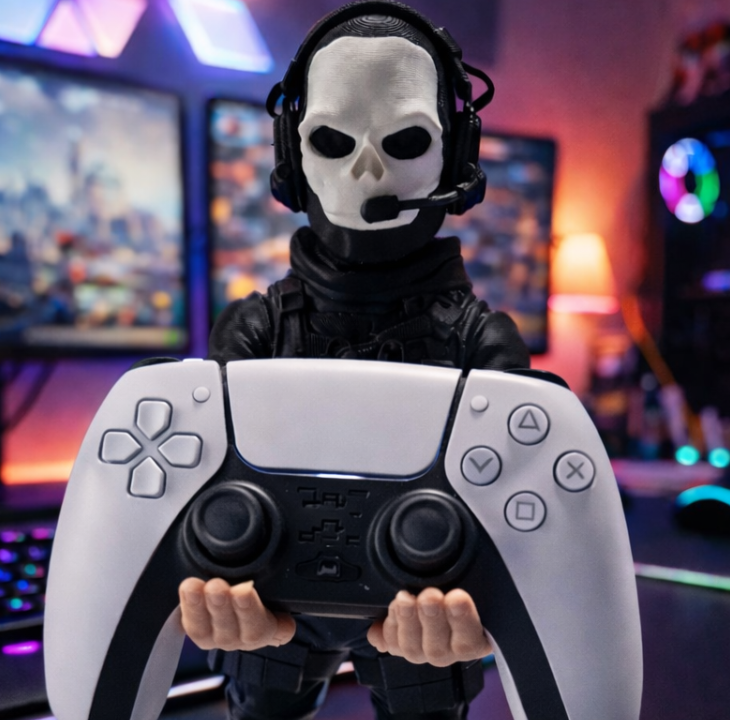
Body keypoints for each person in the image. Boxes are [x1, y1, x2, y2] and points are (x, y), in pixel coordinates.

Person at [180, 3, 530, 718]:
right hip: (274, 600)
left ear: (455, 156)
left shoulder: (481, 344)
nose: (368, 170)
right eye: (333, 141)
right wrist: (209, 574)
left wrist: (492, 599)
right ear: (294, 156)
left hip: (421, 609)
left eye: (405, 141)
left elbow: (527, 526)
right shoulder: (255, 330)